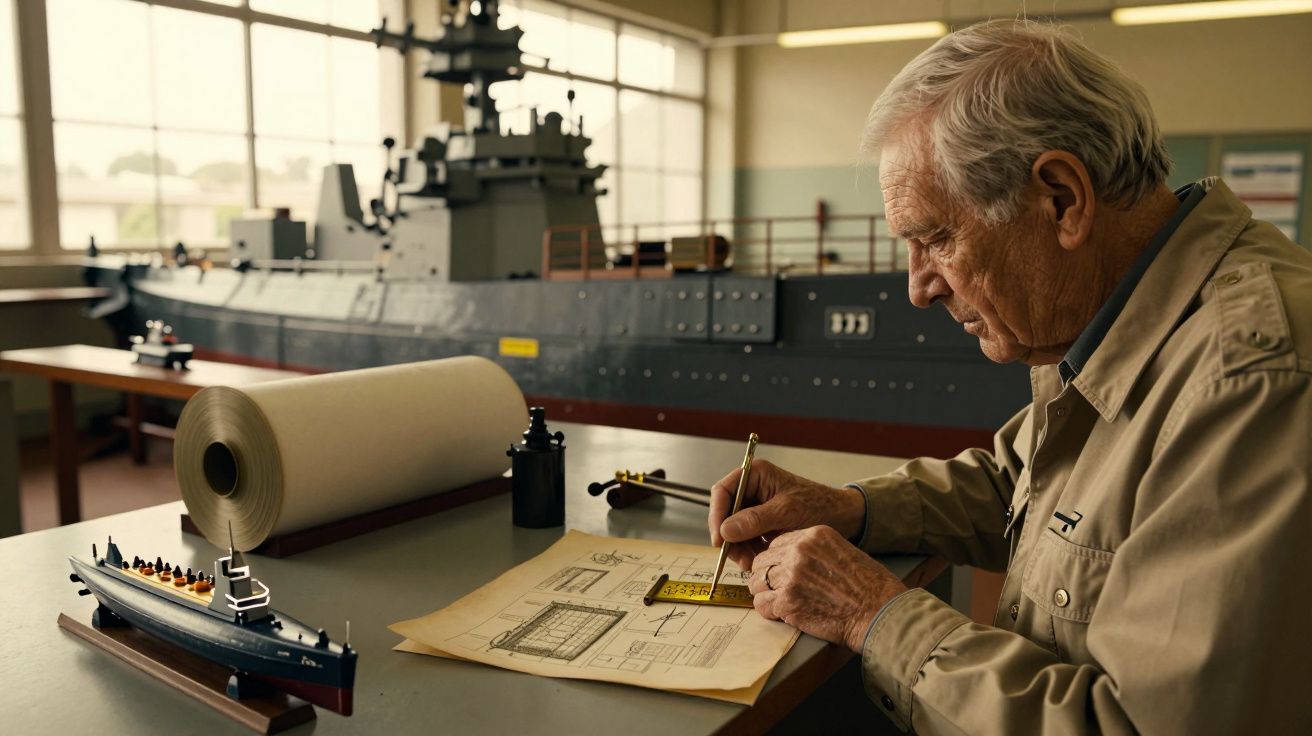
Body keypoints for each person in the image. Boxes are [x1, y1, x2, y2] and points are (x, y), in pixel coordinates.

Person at [709, 20, 1312, 735]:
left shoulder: (1250, 379)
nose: (918, 288)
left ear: (1061, 199)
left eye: (935, 238)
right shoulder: (1133, 318)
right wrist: (852, 508)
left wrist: (873, 615)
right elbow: (1021, 484)